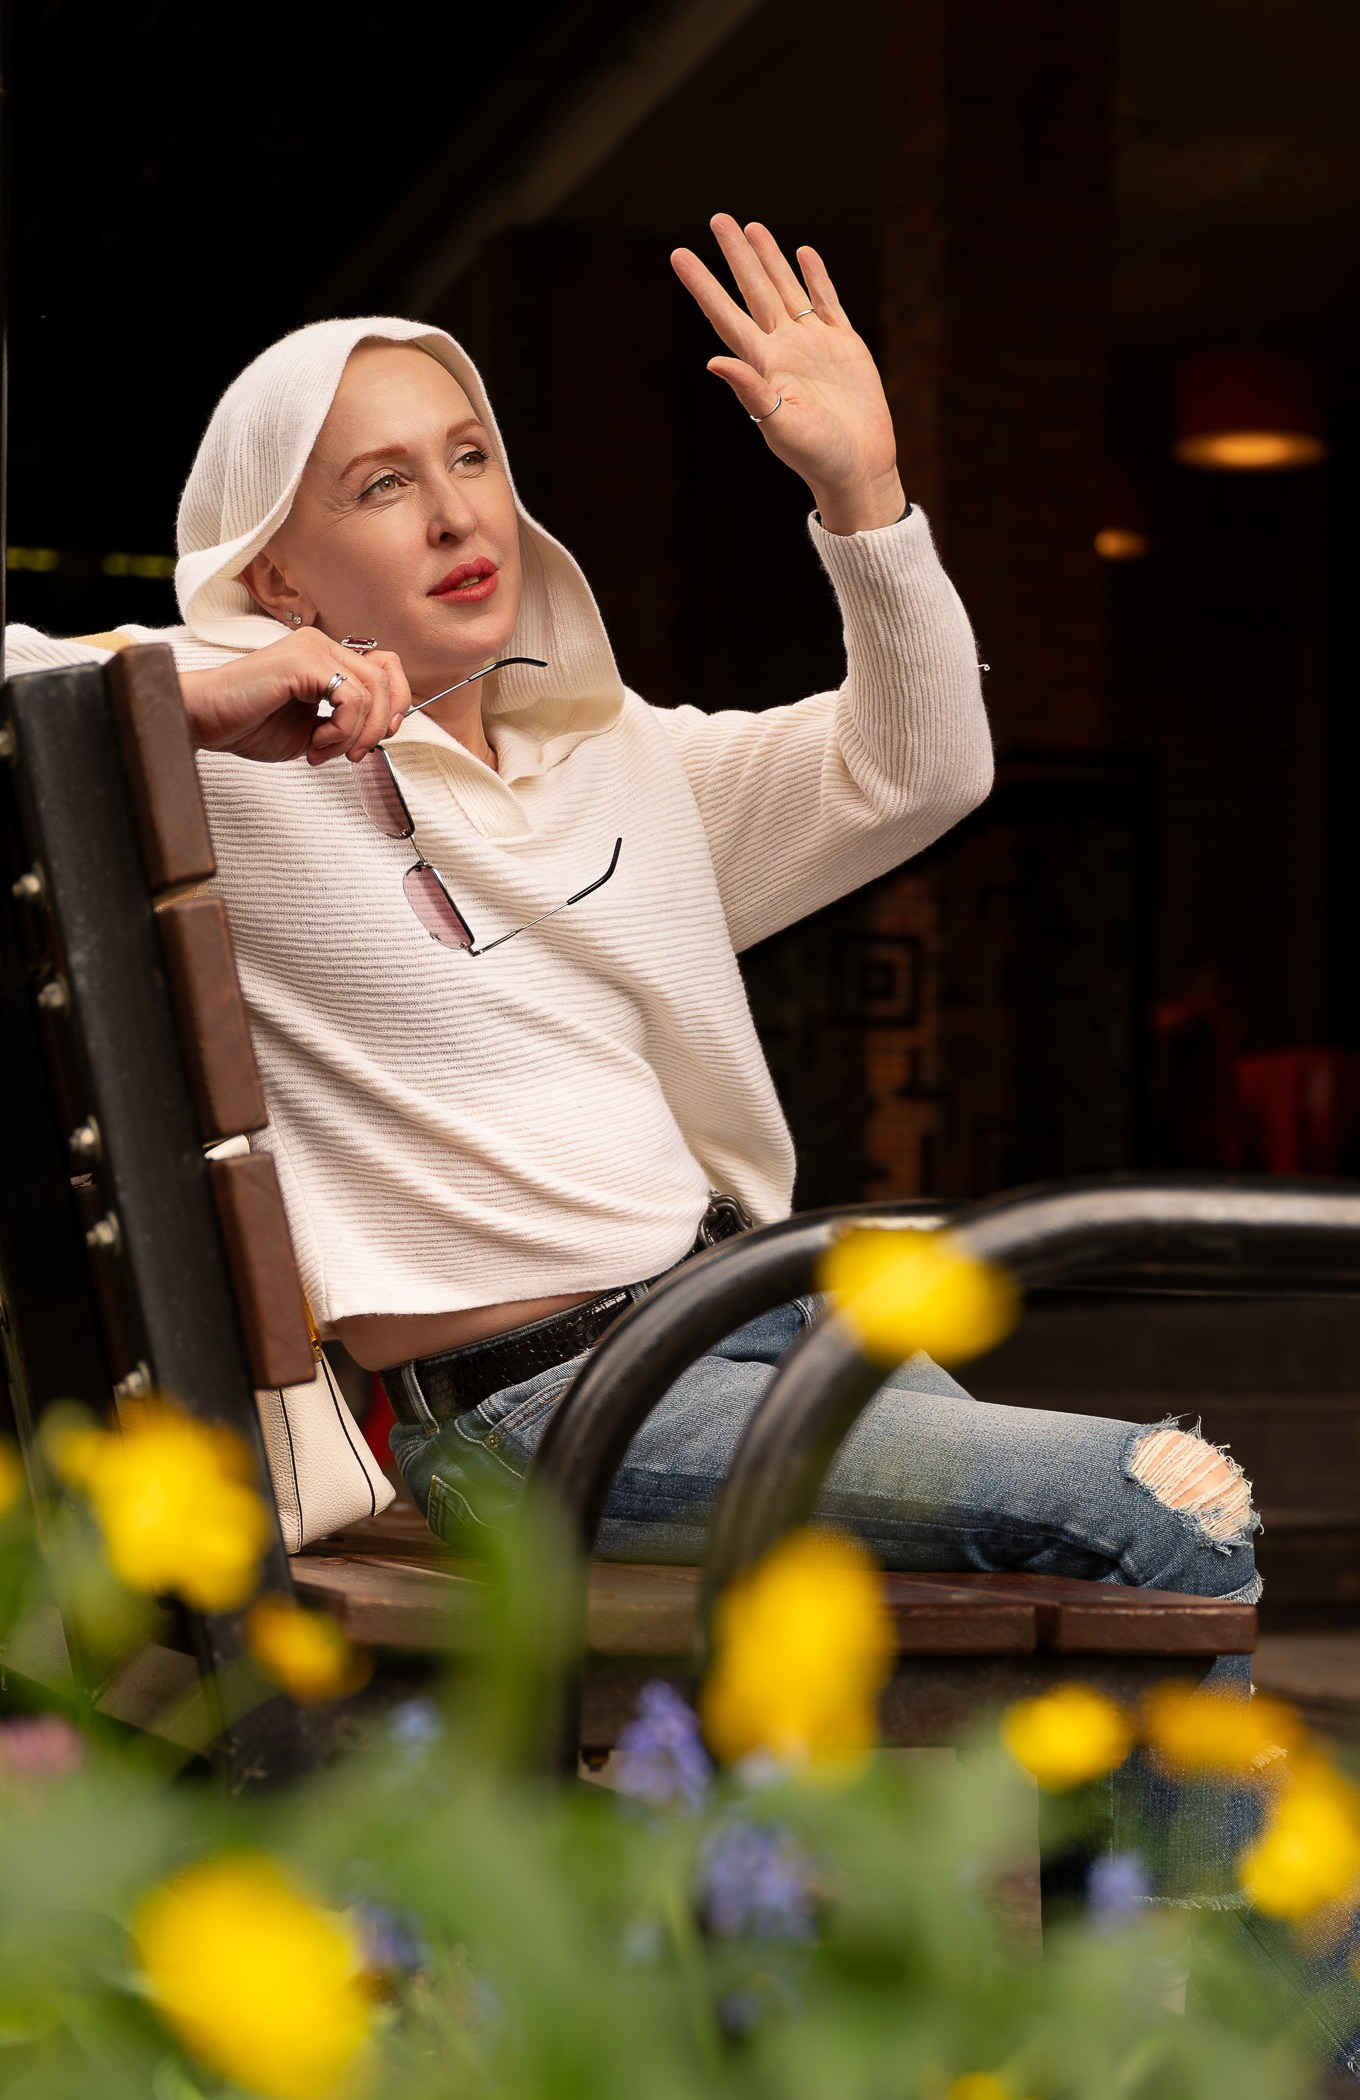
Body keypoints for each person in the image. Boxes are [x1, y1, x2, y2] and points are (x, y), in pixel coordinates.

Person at [8, 215, 1287, 1966]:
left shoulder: (622, 761)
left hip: (750, 1319)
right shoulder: (222, 766)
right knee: (1161, 1509)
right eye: (382, 484)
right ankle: (1221, 2039)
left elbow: (924, 764)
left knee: (1118, 1557)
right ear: (280, 574)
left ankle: (1120, 1998)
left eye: (470, 456)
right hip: (544, 1417)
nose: (455, 512)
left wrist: (867, 498)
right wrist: (194, 699)